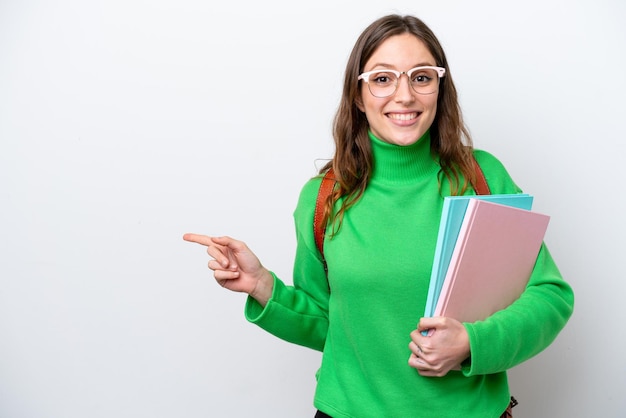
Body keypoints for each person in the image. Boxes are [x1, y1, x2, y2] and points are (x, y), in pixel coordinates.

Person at [183, 14, 574, 418]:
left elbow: (550, 296)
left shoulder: (482, 177)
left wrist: (472, 343)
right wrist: (264, 287)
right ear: (358, 94)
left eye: (421, 77)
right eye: (383, 79)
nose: (404, 96)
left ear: (440, 87)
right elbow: (330, 325)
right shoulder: (324, 198)